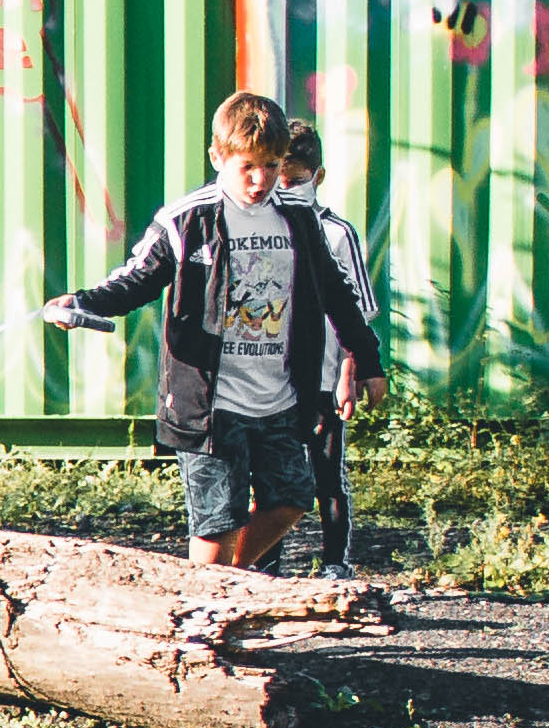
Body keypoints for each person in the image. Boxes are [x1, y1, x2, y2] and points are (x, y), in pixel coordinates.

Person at [47, 90, 385, 570]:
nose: (260, 180)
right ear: (217, 157)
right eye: (247, 166)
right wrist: (82, 302)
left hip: (280, 396)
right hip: (210, 404)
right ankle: (205, 600)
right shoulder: (188, 219)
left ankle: (227, 584)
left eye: (271, 166)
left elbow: (337, 293)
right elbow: (137, 280)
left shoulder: (298, 217)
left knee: (292, 498)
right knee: (218, 523)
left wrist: (367, 360)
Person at [281, 113, 379, 578]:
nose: (286, 189)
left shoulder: (336, 233)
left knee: (327, 473)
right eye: (280, 179)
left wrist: (347, 374)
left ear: (317, 177)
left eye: (296, 181)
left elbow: (356, 312)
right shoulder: (262, 227)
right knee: (272, 477)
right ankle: (267, 563)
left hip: (323, 377)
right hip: (272, 381)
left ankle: (336, 563)